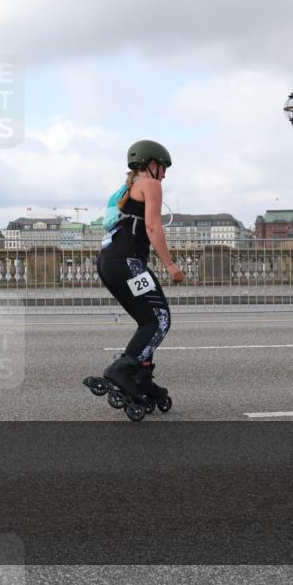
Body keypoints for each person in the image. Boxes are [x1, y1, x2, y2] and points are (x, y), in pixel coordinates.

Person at [95, 140, 184, 402]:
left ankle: (143, 380)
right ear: (151, 164)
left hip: (110, 263)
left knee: (148, 321)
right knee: (159, 319)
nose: (165, 174)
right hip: (128, 263)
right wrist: (170, 264)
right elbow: (154, 227)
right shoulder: (150, 184)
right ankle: (122, 371)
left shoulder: (129, 187)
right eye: (164, 167)